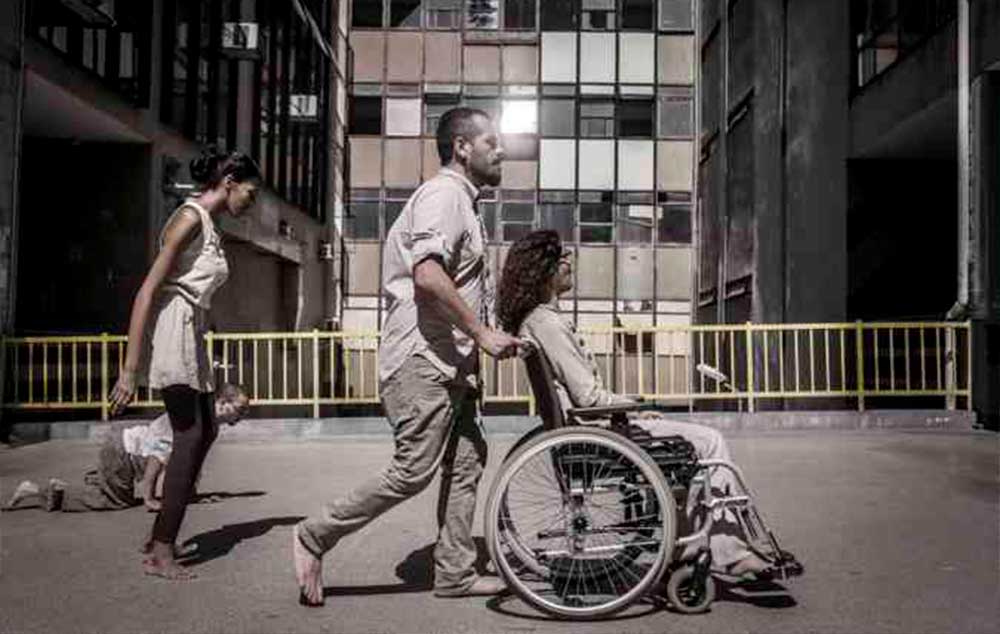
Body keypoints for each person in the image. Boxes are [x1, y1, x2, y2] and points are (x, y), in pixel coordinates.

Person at [292, 107, 524, 607]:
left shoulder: (463, 201)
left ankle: (455, 571)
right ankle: (315, 534)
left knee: (468, 461)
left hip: (450, 362)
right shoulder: (444, 195)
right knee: (413, 470)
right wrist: (482, 332)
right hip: (422, 359)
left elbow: (456, 282)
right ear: (462, 147)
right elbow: (427, 275)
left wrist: (483, 336)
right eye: (491, 141)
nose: (501, 150)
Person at [497, 230, 775, 580]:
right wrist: (634, 405)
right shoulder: (547, 323)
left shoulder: (539, 321)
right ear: (544, 270)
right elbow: (589, 398)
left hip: (588, 429)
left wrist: (631, 410)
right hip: (595, 432)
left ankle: (698, 544)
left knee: (693, 447)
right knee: (709, 442)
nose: (570, 264)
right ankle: (732, 553)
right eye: (563, 257)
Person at [107, 148, 260, 580]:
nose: (252, 201)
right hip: (175, 324)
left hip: (193, 328)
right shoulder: (190, 218)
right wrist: (130, 367)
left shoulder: (209, 224)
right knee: (189, 434)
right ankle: (160, 550)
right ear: (229, 181)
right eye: (251, 191)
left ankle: (161, 535)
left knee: (205, 428)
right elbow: (147, 290)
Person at [5, 384, 250, 513]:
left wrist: (195, 496)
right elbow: (157, 454)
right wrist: (149, 496)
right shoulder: (193, 417)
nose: (242, 415)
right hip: (123, 452)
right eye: (239, 408)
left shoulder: (210, 427)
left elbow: (191, 464)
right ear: (222, 402)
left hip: (124, 452)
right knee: (112, 502)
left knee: (112, 487)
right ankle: (41, 492)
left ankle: (93, 481)